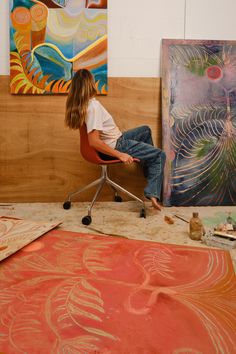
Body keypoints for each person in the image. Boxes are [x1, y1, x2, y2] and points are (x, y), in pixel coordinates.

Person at [65, 69, 166, 210]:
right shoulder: (93, 107)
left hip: (116, 139)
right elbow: (93, 141)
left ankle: (151, 175)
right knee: (159, 155)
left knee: (145, 131)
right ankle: (153, 193)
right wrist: (120, 154)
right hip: (117, 145)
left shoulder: (85, 105)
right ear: (90, 84)